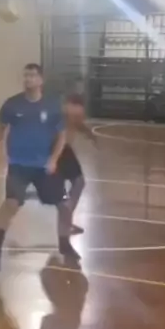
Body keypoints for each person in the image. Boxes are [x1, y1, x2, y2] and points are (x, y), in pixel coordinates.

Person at [0, 63, 79, 271]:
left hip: (43, 166)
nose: (28, 79)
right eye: (25, 75)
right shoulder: (12, 104)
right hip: (18, 165)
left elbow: (61, 136)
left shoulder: (52, 105)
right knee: (10, 204)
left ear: (41, 80)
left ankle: (65, 245)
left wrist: (53, 160)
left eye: (32, 75)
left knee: (64, 206)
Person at [57, 94, 96, 236]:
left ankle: (66, 222)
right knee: (79, 182)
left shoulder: (60, 110)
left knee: (64, 186)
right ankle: (66, 219)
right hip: (62, 150)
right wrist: (90, 135)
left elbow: (77, 125)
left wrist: (89, 134)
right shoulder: (74, 110)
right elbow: (78, 124)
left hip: (56, 149)